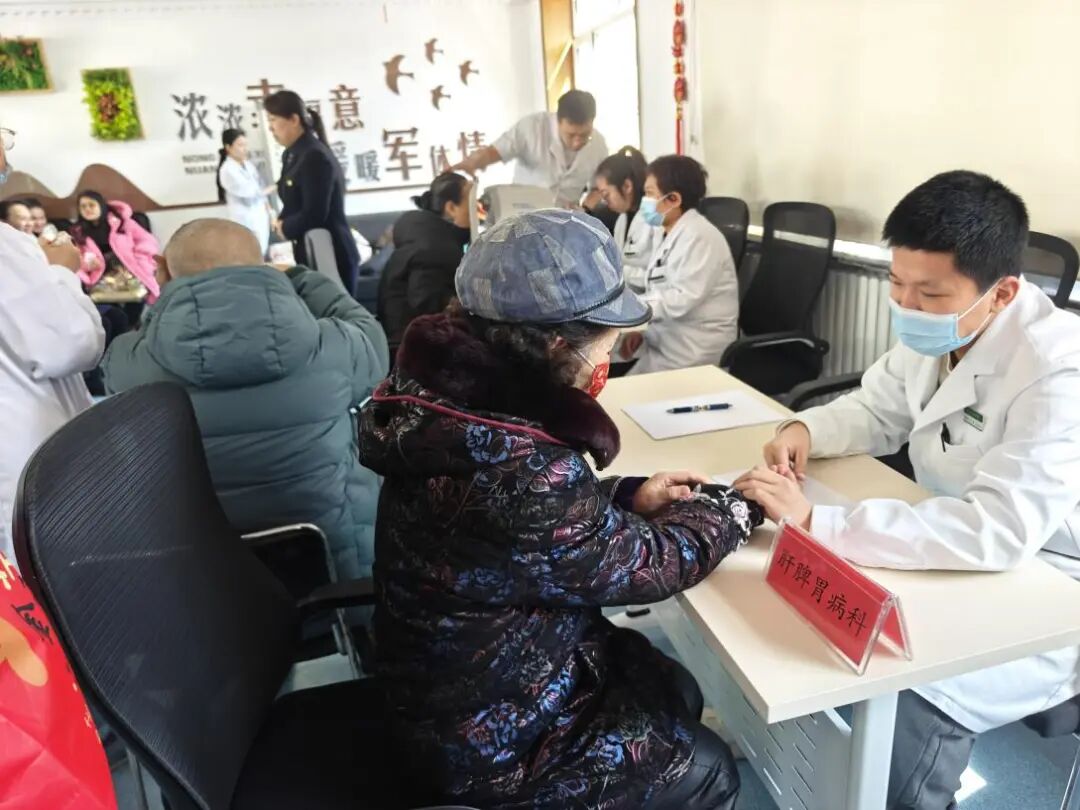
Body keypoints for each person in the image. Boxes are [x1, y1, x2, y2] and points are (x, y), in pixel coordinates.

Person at [359, 208, 764, 809]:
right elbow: (647, 565)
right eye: (607, 345)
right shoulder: (523, 465)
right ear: (555, 345)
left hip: (462, 680)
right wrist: (733, 509)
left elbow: (511, 523)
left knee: (674, 687)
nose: (608, 362)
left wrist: (629, 494)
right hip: (492, 738)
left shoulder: (444, 400)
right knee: (708, 770)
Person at [737, 170, 1080, 810]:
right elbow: (878, 407)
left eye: (929, 293)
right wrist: (805, 429)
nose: (907, 305)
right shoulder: (948, 327)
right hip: (950, 536)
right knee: (801, 623)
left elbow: (999, 530)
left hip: (1048, 578)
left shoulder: (1059, 368)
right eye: (896, 283)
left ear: (1003, 293)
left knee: (908, 687)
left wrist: (818, 524)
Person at [102, 219, 389, 582]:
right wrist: (299, 277)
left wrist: (168, 296)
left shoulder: (127, 362)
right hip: (338, 574)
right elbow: (370, 335)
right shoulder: (336, 346)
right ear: (263, 268)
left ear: (161, 269)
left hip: (202, 587)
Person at [0, 126, 105, 567]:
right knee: (52, 575)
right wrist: (61, 271)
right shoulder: (7, 247)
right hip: (25, 448)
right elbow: (69, 344)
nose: (6, 154)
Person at [621, 155, 738, 375]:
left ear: (673, 199)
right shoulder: (667, 232)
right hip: (667, 343)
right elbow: (659, 286)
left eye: (650, 194)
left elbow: (680, 299)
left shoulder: (700, 237)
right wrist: (640, 331)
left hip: (694, 352)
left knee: (618, 393)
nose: (645, 201)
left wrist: (630, 312)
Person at [264, 90, 359, 293]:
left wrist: (286, 227)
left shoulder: (314, 156)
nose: (270, 128)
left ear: (294, 120)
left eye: (273, 120)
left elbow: (315, 213)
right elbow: (294, 201)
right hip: (311, 248)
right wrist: (281, 221)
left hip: (331, 252)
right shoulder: (292, 155)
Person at [453, 89, 609, 208]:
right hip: (524, 213)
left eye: (584, 135)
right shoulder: (532, 128)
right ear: (558, 120)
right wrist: (474, 162)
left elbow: (599, 188)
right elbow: (496, 151)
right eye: (571, 135)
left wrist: (585, 209)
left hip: (565, 221)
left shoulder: (599, 145)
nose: (577, 142)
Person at [377, 171, 472, 353]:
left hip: (402, 340)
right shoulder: (437, 247)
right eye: (472, 201)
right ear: (451, 208)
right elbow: (427, 305)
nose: (479, 209)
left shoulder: (429, 236)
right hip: (413, 350)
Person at [594, 145, 660, 290]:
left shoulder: (655, 216)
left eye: (606, 194)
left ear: (627, 186)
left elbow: (660, 275)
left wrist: (618, 270)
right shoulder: (622, 219)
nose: (605, 201)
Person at [73, 191, 161, 300]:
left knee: (137, 301)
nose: (87, 209)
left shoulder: (122, 222)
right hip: (101, 281)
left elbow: (148, 241)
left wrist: (139, 258)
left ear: (101, 205)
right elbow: (75, 260)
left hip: (131, 273)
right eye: (83, 206)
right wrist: (88, 265)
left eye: (91, 205)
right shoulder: (78, 232)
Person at [216, 128, 274, 256]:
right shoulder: (227, 170)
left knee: (262, 253)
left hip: (260, 217)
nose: (245, 149)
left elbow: (259, 187)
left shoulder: (248, 165)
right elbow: (249, 192)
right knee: (251, 255)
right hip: (244, 220)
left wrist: (270, 212)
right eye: (240, 145)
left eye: (245, 145)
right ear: (228, 147)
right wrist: (273, 188)